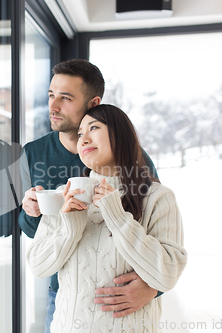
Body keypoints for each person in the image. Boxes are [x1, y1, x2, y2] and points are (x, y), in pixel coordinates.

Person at [19, 59, 160, 332]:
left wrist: (152, 289)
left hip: (122, 297)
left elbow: (158, 232)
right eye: (51, 95)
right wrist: (30, 212)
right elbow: (36, 235)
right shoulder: (33, 153)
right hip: (65, 296)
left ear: (94, 103)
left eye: (65, 98)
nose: (53, 106)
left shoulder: (136, 159)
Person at [26, 104, 188, 332]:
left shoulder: (158, 197)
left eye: (94, 128)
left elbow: (168, 274)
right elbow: (38, 267)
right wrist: (70, 230)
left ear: (120, 135)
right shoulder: (65, 194)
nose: (83, 139)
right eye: (80, 133)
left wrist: (118, 218)